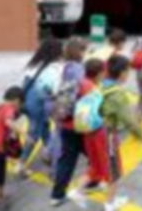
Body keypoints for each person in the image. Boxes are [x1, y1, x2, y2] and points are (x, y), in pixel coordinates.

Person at [101, 56, 142, 211]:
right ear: (121, 73)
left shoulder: (101, 84)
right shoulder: (118, 93)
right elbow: (129, 120)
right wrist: (140, 134)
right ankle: (109, 203)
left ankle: (104, 189)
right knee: (114, 169)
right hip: (107, 133)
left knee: (103, 163)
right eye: (128, 71)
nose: (129, 74)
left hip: (96, 131)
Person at [65, 59, 111, 206]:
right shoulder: (91, 89)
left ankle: (99, 189)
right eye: (104, 72)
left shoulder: (81, 82)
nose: (105, 74)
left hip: (85, 132)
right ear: (98, 73)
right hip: (95, 132)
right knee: (103, 164)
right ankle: (109, 202)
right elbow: (95, 114)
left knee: (96, 164)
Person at [50, 37, 88, 206]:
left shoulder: (63, 68)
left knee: (67, 159)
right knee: (99, 154)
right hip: (78, 120)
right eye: (84, 50)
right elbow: (84, 91)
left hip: (64, 119)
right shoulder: (79, 69)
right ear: (79, 52)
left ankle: (56, 195)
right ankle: (94, 183)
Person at [19, 38, 63, 174]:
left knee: (44, 128)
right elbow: (55, 90)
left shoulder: (34, 64)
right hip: (40, 104)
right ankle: (22, 164)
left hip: (27, 102)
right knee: (34, 133)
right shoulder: (54, 68)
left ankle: (50, 156)